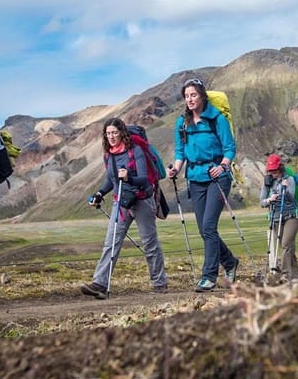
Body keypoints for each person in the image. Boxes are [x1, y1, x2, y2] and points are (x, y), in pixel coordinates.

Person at [81, 118, 168, 299]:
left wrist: (128, 178)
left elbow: (144, 179)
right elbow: (110, 180)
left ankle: (160, 284)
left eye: (114, 132)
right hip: (120, 202)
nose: (111, 136)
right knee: (111, 242)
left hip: (142, 200)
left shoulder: (136, 151)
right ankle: (100, 283)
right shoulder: (109, 155)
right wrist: (99, 193)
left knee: (149, 243)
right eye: (108, 133)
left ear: (121, 132)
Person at [167, 77, 239, 292]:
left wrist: (223, 166)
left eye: (193, 95)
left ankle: (208, 276)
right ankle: (230, 262)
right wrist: (176, 169)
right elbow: (180, 152)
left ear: (202, 96)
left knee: (208, 226)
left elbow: (229, 148)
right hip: (195, 177)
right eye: (186, 96)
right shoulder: (182, 122)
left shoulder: (217, 119)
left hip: (217, 177)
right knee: (204, 229)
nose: (189, 99)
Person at [260, 154, 298, 284]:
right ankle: (296, 277)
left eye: (274, 170)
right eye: (270, 170)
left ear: (280, 168)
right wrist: (269, 199)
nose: (272, 173)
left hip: (291, 216)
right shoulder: (267, 182)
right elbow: (262, 202)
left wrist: (285, 189)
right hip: (276, 217)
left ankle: (285, 275)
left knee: (286, 244)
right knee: (288, 248)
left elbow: (291, 199)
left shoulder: (289, 179)